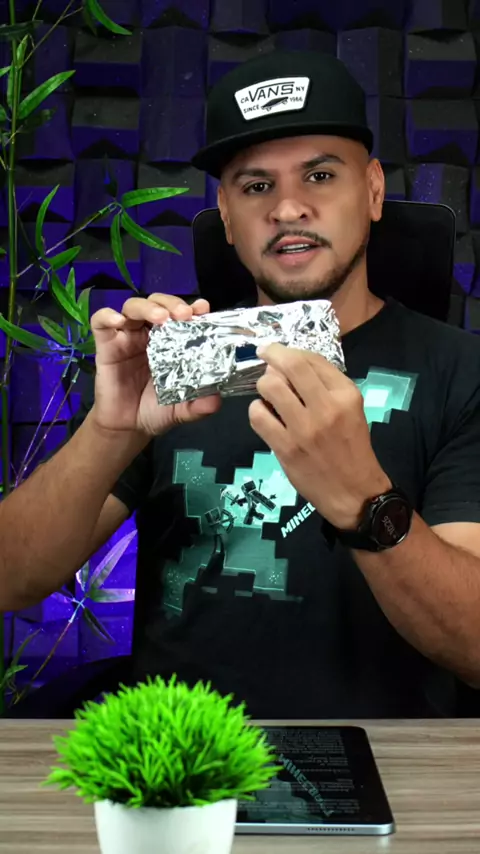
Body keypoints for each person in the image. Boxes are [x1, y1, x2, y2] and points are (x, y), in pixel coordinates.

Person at [2, 50, 480, 718]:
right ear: (226, 215)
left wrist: (365, 502)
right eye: (256, 187)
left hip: (389, 758)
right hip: (182, 751)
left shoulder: (462, 370)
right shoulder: (172, 368)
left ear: (373, 191)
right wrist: (111, 430)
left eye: (320, 175)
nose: (289, 207)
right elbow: (12, 579)